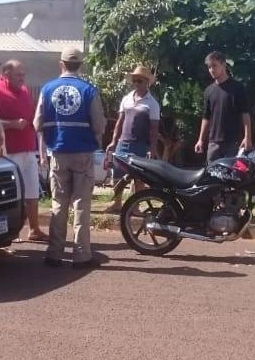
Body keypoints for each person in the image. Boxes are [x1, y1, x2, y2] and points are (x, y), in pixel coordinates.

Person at [33, 48, 105, 269]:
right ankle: (81, 256)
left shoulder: (47, 89)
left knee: (58, 203)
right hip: (82, 153)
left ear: (61, 64)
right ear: (81, 65)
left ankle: (54, 253)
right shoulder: (89, 90)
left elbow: (36, 123)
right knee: (81, 204)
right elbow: (99, 125)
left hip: (58, 153)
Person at [0, 59, 49, 243]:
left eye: (23, 75)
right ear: (6, 74)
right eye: (18, 75)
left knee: (32, 191)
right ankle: (4, 234)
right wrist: (12, 124)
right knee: (9, 195)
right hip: (9, 152)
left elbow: (32, 116)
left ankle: (34, 229)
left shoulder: (24, 91)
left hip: (28, 149)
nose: (22, 78)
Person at [104, 64, 161, 213]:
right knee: (117, 174)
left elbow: (154, 129)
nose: (136, 84)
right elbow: (120, 122)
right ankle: (117, 203)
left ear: (147, 82)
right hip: (123, 142)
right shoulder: (127, 98)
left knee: (139, 177)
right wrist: (113, 141)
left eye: (140, 81)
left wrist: (152, 149)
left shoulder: (152, 103)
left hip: (140, 144)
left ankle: (136, 206)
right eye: (134, 80)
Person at [193, 51, 254, 162]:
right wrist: (200, 140)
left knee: (232, 172)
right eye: (209, 67)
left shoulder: (237, 88)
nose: (212, 70)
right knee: (211, 172)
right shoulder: (209, 91)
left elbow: (245, 114)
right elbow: (206, 117)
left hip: (233, 143)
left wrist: (247, 137)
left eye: (214, 66)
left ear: (223, 65)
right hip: (214, 143)